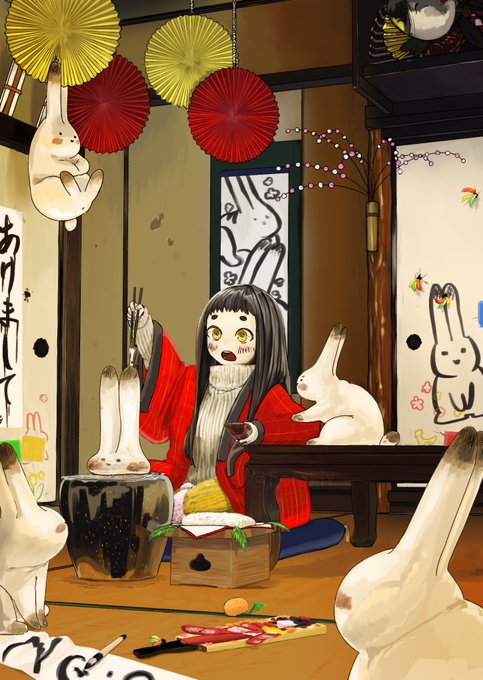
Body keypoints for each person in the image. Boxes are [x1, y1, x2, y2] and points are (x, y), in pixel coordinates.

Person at [128, 284, 320, 528]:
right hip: (183, 479)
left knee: (180, 505)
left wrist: (258, 431)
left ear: (266, 337)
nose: (226, 345)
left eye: (242, 336)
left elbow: (307, 426)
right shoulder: (191, 380)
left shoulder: (267, 392)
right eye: (216, 334)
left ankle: (175, 510)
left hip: (234, 489)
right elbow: (165, 375)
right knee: (132, 487)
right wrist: (145, 332)